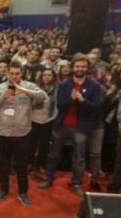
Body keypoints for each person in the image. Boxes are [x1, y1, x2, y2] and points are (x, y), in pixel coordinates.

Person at [39, 54, 103, 197]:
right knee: (53, 154)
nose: (80, 69)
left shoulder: (94, 86)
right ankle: (49, 178)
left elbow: (97, 108)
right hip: (62, 125)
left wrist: (82, 100)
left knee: (79, 157)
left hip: (81, 127)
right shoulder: (64, 84)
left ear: (87, 68)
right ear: (73, 67)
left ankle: (76, 183)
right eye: (77, 66)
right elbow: (61, 105)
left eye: (83, 66)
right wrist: (71, 99)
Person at [0, 61, 46, 206]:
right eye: (11, 73)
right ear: (7, 73)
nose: (14, 76)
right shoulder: (0, 88)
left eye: (17, 73)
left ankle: (23, 192)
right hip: (3, 131)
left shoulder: (29, 86)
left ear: (21, 73)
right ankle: (3, 189)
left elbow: (43, 96)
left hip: (22, 132)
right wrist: (3, 97)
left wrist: (24, 91)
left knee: (22, 164)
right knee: (4, 163)